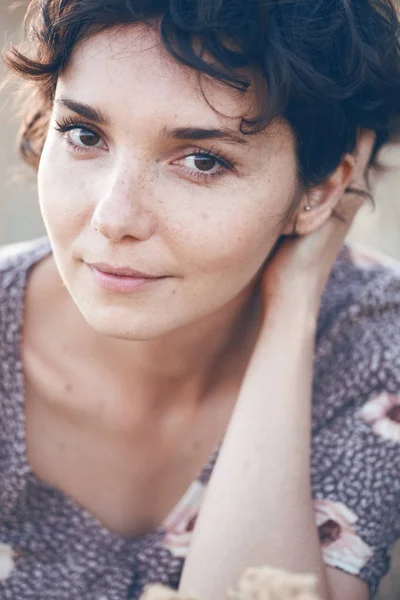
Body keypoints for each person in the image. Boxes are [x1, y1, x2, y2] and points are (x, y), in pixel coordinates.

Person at [0, 0, 399, 598]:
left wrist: (292, 312)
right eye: (84, 134)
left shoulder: (374, 343)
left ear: (321, 190)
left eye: (202, 160)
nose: (114, 218)